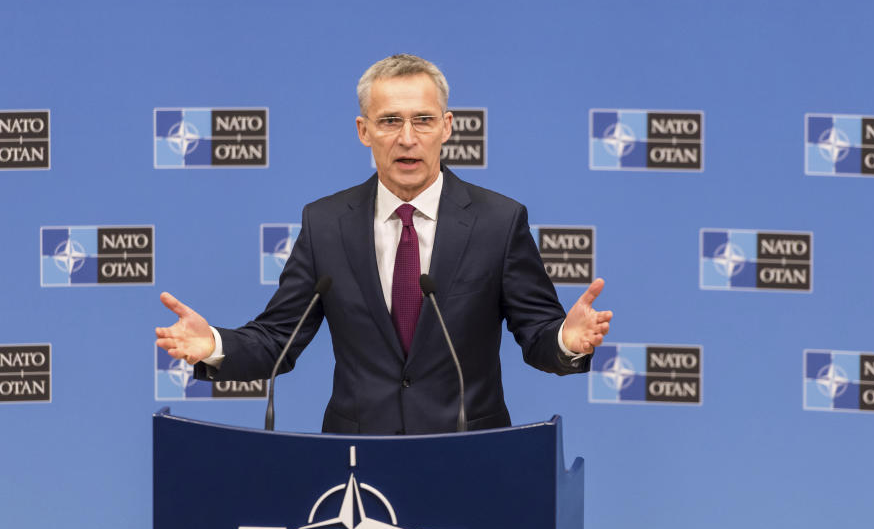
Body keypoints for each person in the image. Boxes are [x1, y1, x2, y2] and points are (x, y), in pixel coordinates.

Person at [155, 54, 612, 435]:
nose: (407, 138)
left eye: (423, 120)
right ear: (363, 130)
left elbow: (537, 335)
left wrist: (566, 341)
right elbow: (278, 339)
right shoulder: (326, 223)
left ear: (448, 127)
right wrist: (213, 343)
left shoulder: (499, 221)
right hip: (355, 462)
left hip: (470, 456)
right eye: (390, 121)